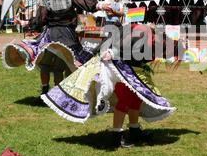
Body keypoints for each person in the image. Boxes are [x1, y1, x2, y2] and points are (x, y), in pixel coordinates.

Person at [41, 23, 184, 148]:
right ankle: (116, 135)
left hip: (128, 67)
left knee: (136, 98)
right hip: (116, 66)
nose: (166, 57)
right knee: (125, 101)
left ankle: (134, 130)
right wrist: (112, 52)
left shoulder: (156, 41)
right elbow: (123, 45)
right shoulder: (147, 36)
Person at [3, 0, 102, 96]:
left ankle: (51, 91)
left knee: (47, 63)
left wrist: (26, 23)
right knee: (68, 63)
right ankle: (65, 91)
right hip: (68, 35)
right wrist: (100, 5)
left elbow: (41, 20)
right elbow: (84, 3)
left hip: (52, 35)